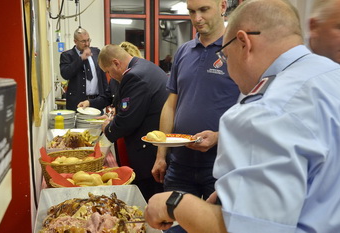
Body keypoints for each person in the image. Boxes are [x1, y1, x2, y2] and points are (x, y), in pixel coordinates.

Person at [145, 0, 340, 232]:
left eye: (226, 56)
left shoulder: (263, 111)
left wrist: (173, 203)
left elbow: (251, 228)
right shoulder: (329, 74)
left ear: (244, 43)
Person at [151, 0, 240, 204]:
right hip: (180, 165)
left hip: (221, 166)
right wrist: (161, 155)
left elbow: (251, 108)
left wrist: (219, 136)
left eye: (204, 10)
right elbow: (170, 105)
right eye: (191, 11)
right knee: (175, 225)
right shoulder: (183, 52)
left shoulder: (237, 49)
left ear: (223, 7)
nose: (197, 18)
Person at [97, 44, 169, 201]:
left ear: (116, 63)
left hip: (148, 152)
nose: (110, 76)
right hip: (155, 145)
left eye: (108, 71)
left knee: (148, 200)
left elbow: (127, 121)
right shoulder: (145, 65)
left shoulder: (134, 76)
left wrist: (108, 129)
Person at [60, 28, 110, 112]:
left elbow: (102, 75)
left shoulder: (96, 52)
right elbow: (65, 74)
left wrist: (106, 96)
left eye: (88, 40)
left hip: (96, 102)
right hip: (77, 103)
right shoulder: (67, 55)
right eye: (83, 41)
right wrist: (81, 59)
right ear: (75, 41)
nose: (87, 44)